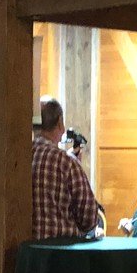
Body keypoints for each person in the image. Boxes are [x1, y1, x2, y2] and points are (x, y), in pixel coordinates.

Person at [31, 96, 100, 239]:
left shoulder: (17, 161)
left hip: (27, 255)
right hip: (62, 253)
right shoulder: (67, 163)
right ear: (60, 124)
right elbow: (89, 218)